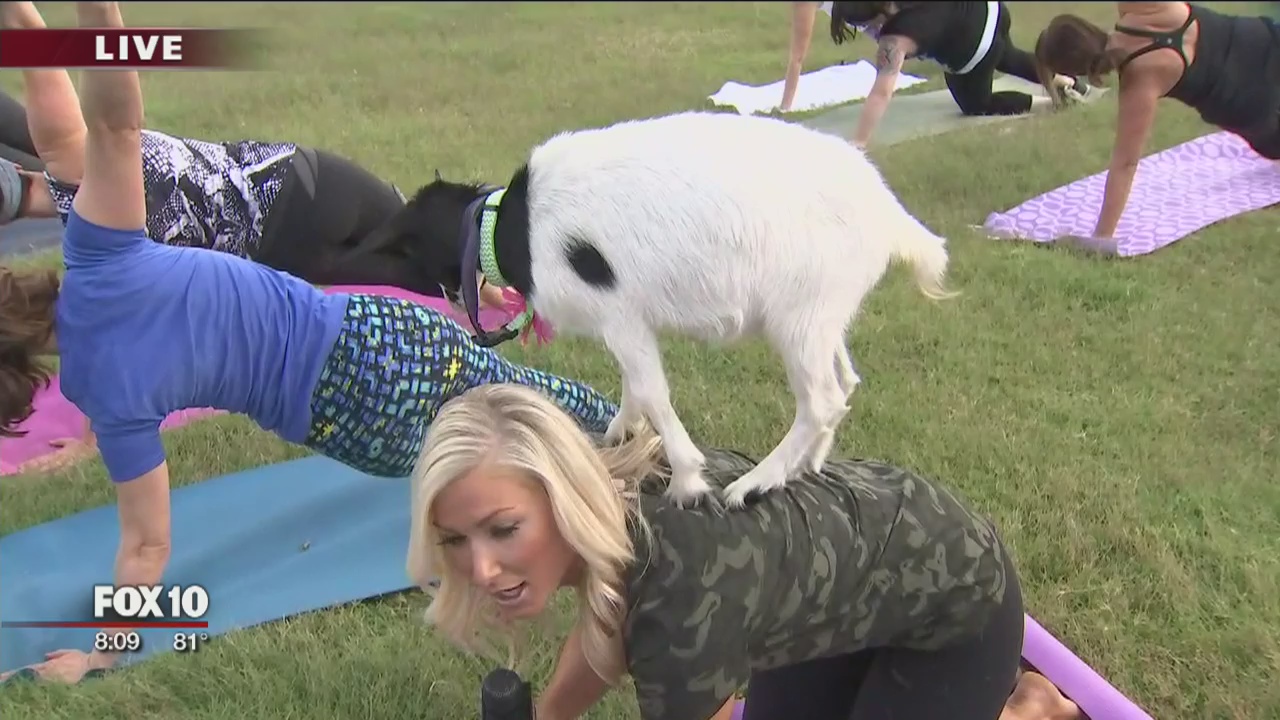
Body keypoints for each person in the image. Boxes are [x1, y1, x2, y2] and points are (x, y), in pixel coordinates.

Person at [0, 1, 618, 685]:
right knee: (529, 408)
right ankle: (648, 455)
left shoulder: (105, 396)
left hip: (351, 419)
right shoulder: (96, 254)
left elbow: (147, 546)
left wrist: (98, 655)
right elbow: (106, 122)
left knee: (505, 457)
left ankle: (615, 512)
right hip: (376, 332)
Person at [406, 383, 1027, 720]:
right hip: (831, 608)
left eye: (503, 529)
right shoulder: (610, 503)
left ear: (562, 496)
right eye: (457, 541)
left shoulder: (680, 590)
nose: (481, 569)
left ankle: (1027, 706)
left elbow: (641, 615)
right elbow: (608, 620)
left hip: (953, 608)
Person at [0, 1, 505, 308]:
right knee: (427, 240)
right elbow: (34, 34)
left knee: (428, 275)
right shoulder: (79, 154)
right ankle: (485, 262)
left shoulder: (97, 223)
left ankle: (479, 271)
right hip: (302, 177)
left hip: (286, 243)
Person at [1034, 3, 1280, 243]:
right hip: (1264, 44)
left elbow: (1125, 164)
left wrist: (1102, 236)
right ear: (1088, 28)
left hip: (1256, 111)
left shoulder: (1138, 80)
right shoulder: (1140, 9)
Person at [814, 1, 1090, 148]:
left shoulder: (895, 40)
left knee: (975, 104)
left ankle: (1047, 102)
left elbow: (881, 92)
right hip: (992, 11)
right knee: (1005, 54)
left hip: (973, 48)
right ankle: (1067, 81)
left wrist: (860, 141)